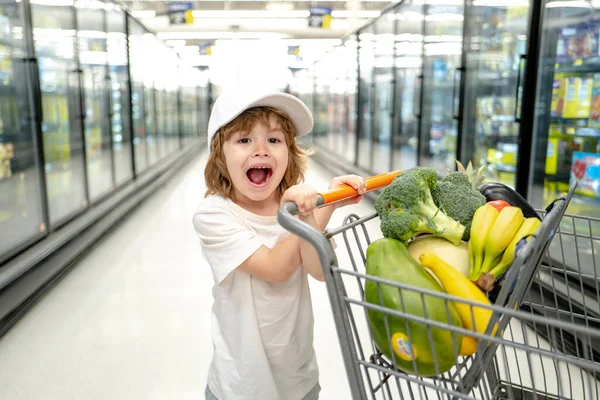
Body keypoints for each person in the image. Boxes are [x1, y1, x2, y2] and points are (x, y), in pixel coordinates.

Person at [192, 88, 366, 400]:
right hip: (241, 383)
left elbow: (318, 269)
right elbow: (276, 268)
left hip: (298, 379)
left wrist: (327, 203)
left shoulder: (296, 209)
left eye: (274, 140)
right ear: (220, 154)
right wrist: (301, 211)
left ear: (289, 153)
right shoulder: (214, 215)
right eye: (244, 140)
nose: (261, 150)